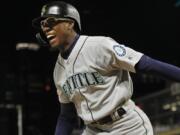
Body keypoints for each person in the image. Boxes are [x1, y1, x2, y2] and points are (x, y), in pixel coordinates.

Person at [32, 1, 180, 135]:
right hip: (93, 129)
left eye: (50, 21)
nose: (45, 28)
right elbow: (67, 116)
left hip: (127, 126)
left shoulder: (98, 46)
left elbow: (146, 64)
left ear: (70, 23)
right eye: (43, 25)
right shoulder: (58, 71)